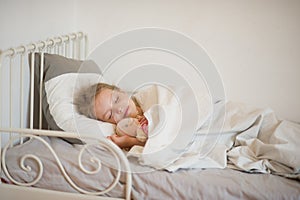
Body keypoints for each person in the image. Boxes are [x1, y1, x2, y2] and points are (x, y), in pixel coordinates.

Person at [76, 82, 147, 149]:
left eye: (117, 100)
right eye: (110, 115)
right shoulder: (126, 133)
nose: (119, 109)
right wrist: (130, 142)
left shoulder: (149, 97)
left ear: (122, 91)